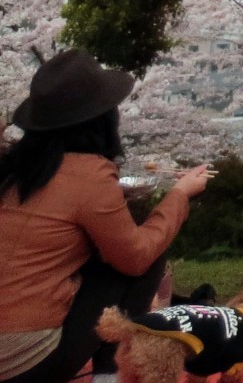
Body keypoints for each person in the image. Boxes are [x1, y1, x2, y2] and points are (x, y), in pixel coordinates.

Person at [0, 51, 213, 383]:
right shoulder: (89, 173)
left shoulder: (14, 169)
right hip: (22, 363)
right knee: (145, 261)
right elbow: (135, 257)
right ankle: (110, 374)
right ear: (101, 118)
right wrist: (180, 194)